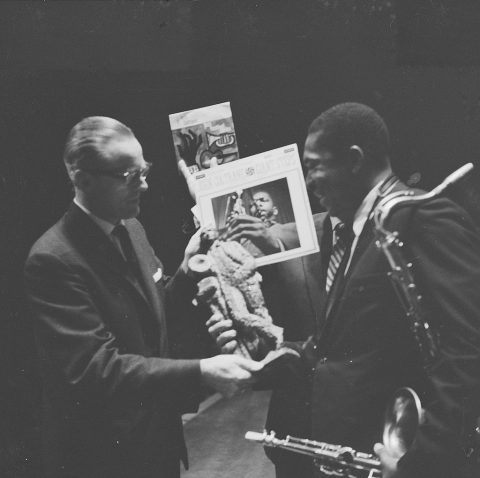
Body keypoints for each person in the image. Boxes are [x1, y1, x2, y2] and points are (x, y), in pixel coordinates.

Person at [210, 103, 480, 478]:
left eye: (315, 165)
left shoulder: (425, 217)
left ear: (354, 160)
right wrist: (266, 357)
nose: (308, 181)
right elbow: (342, 344)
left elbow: (469, 350)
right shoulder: (352, 229)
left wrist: (422, 462)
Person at [24, 116, 263, 478]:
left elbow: (150, 312)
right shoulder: (53, 259)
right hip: (102, 457)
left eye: (144, 170)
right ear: (81, 178)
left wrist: (184, 272)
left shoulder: (131, 228)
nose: (145, 185)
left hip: (156, 442)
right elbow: (97, 369)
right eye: (130, 176)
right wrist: (200, 371)